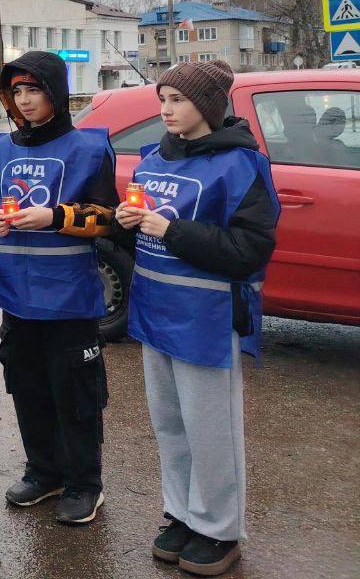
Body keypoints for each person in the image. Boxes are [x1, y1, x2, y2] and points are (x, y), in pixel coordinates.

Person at [114, 59, 279, 576]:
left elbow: (250, 249)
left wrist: (170, 230)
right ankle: (184, 514)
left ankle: (220, 529)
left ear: (207, 106)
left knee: (211, 429)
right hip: (155, 314)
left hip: (206, 320)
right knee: (170, 424)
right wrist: (128, 223)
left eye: (177, 100)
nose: (165, 110)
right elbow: (143, 237)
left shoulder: (240, 166)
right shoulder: (151, 161)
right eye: (162, 99)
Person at [0, 52, 116, 526]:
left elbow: (106, 219)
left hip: (69, 298)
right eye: (16, 92)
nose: (24, 101)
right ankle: (44, 471)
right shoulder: (0, 148)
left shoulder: (91, 149)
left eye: (33, 91)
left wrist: (56, 218)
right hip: (16, 294)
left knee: (74, 393)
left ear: (55, 94)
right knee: (28, 386)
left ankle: (84, 483)